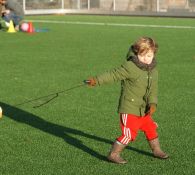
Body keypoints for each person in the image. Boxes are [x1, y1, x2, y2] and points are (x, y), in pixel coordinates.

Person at [84, 37, 169, 164]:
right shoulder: (130, 66)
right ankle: (113, 154)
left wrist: (152, 103)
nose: (146, 58)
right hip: (129, 108)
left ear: (154, 54)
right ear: (136, 53)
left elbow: (153, 89)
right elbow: (113, 75)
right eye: (143, 55)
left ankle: (156, 150)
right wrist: (96, 80)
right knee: (128, 134)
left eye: (149, 55)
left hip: (143, 109)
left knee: (151, 128)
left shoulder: (153, 71)